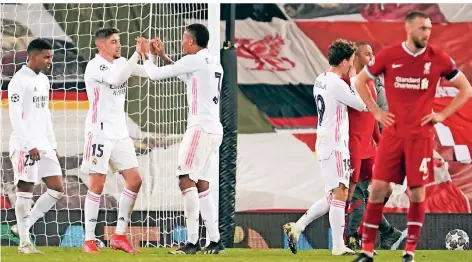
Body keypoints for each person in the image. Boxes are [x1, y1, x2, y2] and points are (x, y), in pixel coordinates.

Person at [353, 11, 472, 262]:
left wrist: (442, 114)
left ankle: (409, 252)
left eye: (429, 29)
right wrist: (375, 112)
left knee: (418, 193)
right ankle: (367, 250)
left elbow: (465, 88)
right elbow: (360, 81)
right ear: (408, 29)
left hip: (420, 137)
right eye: (422, 28)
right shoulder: (389, 56)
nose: (426, 33)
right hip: (393, 137)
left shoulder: (438, 58)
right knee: (377, 190)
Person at [137, 23, 225, 254]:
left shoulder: (195, 60)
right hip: (214, 128)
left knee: (185, 179)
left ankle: (193, 242)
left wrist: (147, 55)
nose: (182, 41)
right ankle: (215, 240)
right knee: (202, 184)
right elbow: (186, 76)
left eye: (184, 38)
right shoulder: (212, 60)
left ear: (191, 41)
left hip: (199, 129)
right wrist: (163, 55)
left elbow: (154, 75)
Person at [283, 39, 366, 256]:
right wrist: (356, 76)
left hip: (325, 140)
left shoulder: (321, 78)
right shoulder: (337, 84)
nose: (352, 65)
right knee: (340, 192)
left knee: (333, 195)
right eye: (351, 61)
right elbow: (361, 105)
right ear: (345, 61)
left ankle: (298, 226)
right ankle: (338, 246)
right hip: (335, 143)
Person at [80, 27, 155, 254]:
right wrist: (135, 55)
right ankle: (89, 240)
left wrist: (150, 55)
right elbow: (116, 79)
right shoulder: (96, 66)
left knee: (135, 181)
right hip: (99, 133)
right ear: (100, 45)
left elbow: (146, 73)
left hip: (120, 133)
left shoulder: (122, 61)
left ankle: (120, 235)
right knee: (97, 184)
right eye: (113, 42)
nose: (118, 45)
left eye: (119, 41)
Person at [343, 42, 402, 250]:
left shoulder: (373, 84)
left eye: (372, 54)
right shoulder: (354, 80)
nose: (372, 58)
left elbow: (378, 120)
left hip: (366, 146)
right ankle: (389, 232)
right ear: (356, 58)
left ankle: (352, 239)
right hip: (359, 144)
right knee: (362, 194)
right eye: (367, 54)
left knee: (357, 192)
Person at [8, 38, 64, 254]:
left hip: (44, 145)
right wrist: (29, 144)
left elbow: (45, 114)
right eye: (46, 57)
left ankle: (21, 226)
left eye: (50, 56)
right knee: (25, 191)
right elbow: (16, 116)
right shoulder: (19, 81)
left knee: (57, 188)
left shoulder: (43, 80)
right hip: (25, 146)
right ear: (33, 56)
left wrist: (53, 144)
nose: (50, 61)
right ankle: (24, 243)